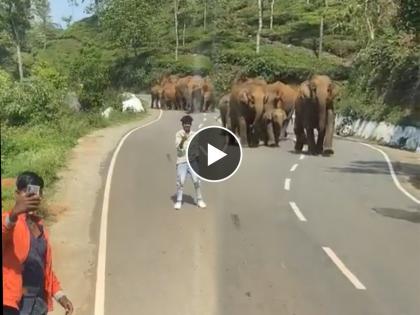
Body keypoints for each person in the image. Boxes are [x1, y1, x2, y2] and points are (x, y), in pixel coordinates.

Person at [2, 171, 74, 315]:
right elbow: (5, 230)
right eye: (28, 192)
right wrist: (14, 214)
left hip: (38, 304)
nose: (34, 197)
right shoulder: (9, 221)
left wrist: (60, 295)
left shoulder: (40, 227)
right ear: (17, 194)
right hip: (12, 304)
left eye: (37, 192)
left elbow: (44, 267)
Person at [174, 115, 207, 210]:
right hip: (182, 161)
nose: (187, 127)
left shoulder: (194, 134)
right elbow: (179, 148)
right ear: (182, 125)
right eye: (185, 126)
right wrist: (183, 140)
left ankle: (199, 200)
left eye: (188, 126)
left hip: (193, 161)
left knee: (197, 181)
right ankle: (179, 201)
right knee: (181, 181)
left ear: (190, 126)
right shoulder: (178, 134)